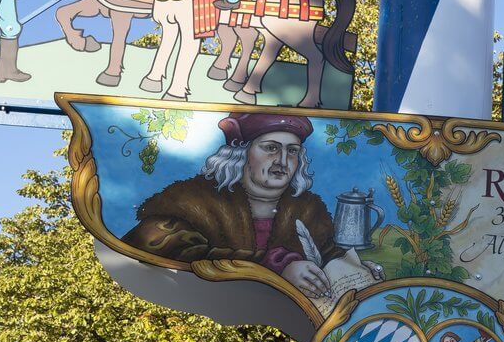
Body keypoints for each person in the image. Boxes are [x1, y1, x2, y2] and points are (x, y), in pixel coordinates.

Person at [121, 112, 345, 299]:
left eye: (292, 151)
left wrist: (348, 271)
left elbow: (328, 255)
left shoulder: (308, 210)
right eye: (271, 148)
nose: (282, 161)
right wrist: (274, 267)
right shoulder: (193, 200)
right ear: (241, 153)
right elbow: (156, 244)